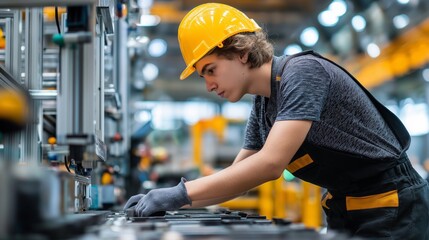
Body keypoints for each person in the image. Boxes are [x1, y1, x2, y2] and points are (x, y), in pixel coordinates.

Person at [124, 3, 429, 239]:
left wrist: (179, 193)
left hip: (392, 207)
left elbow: (271, 164)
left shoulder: (302, 73)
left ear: (241, 51)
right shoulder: (265, 104)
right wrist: (168, 201)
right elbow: (238, 178)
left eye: (211, 69)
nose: (209, 86)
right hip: (346, 207)